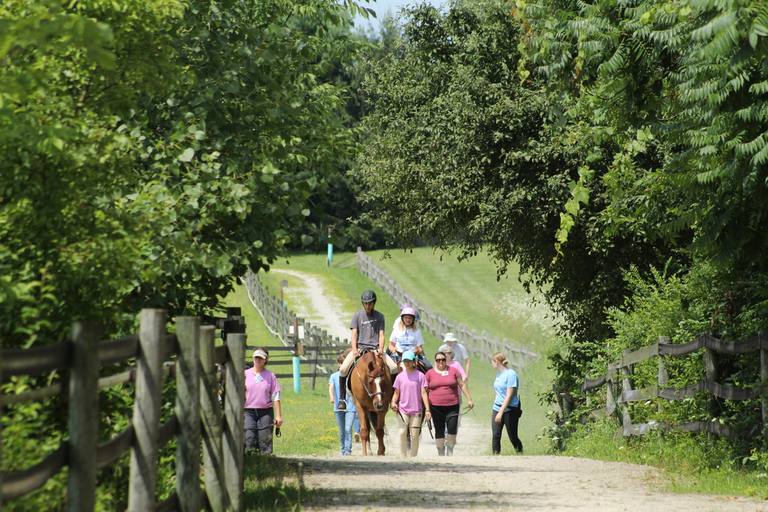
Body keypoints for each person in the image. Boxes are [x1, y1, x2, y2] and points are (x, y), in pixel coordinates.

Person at [337, 290, 398, 410]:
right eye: (365, 303)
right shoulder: (357, 316)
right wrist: (354, 350)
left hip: (376, 349)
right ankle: (342, 399)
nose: (368, 305)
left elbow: (381, 334)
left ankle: (393, 396)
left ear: (374, 303)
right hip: (360, 348)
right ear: (363, 303)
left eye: (370, 303)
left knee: (394, 367)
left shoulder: (380, 316)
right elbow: (354, 334)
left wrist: (380, 349)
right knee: (343, 369)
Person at [425, 351, 474, 455]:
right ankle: (440, 451)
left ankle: (450, 449)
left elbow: (462, 385)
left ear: (446, 360)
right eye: (438, 360)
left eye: (443, 359)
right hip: (435, 406)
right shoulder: (429, 374)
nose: (441, 362)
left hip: (452, 405)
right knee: (439, 429)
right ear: (435, 361)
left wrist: (469, 399)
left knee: (452, 428)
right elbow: (424, 391)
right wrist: (426, 408)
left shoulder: (454, 371)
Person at [391, 350, 431, 457]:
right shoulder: (399, 377)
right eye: (405, 361)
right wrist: (393, 402)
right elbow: (396, 393)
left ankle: (413, 456)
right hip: (403, 409)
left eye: (409, 361)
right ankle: (403, 455)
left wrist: (427, 409)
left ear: (414, 361)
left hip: (416, 410)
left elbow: (423, 393)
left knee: (414, 435)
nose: (407, 363)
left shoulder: (421, 376)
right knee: (402, 432)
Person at [244, 348, 283, 455]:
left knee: (265, 440)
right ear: (253, 358)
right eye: (256, 357)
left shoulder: (270, 376)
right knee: (249, 437)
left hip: (265, 412)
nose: (258, 360)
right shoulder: (245, 374)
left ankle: (266, 462)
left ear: (265, 360)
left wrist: (278, 416)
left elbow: (276, 396)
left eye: (260, 358)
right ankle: (250, 461)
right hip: (248, 411)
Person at [491, 352, 523, 454]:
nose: (491, 364)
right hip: (497, 408)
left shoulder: (511, 374)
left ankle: (520, 453)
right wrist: (496, 407)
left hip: (510, 409)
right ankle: (495, 457)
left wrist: (501, 412)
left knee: (513, 436)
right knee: (496, 435)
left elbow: (509, 395)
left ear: (497, 362)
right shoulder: (498, 374)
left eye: (492, 361)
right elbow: (498, 392)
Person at [329, 350, 357, 455]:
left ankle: (347, 450)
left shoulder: (351, 376)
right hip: (338, 406)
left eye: (343, 363)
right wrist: (332, 397)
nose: (341, 365)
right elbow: (331, 387)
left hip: (351, 406)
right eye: (340, 363)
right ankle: (342, 449)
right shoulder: (334, 376)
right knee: (342, 431)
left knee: (348, 428)